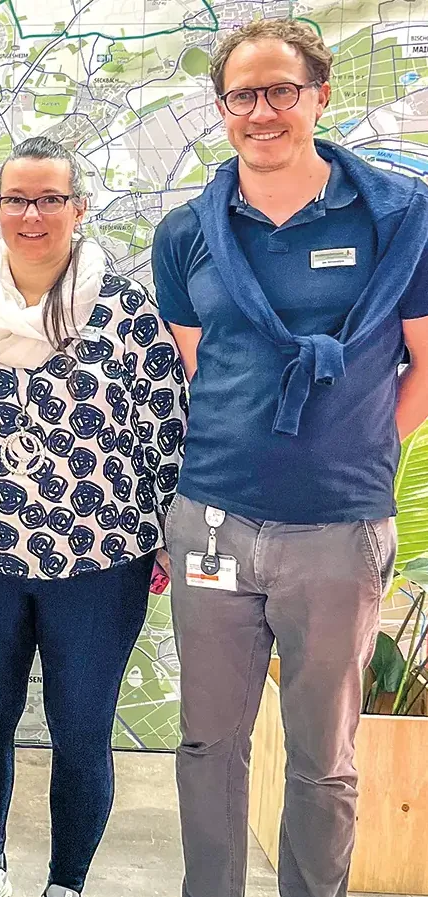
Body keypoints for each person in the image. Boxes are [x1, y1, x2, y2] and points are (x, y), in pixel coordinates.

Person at [151, 19, 428, 897]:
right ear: (223, 106)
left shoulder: (397, 220)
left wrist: (350, 450)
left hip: (337, 530)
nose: (261, 111)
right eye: (242, 94)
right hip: (213, 520)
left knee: (323, 755)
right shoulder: (187, 231)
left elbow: (423, 363)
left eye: (281, 90)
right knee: (208, 746)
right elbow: (203, 363)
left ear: (320, 93)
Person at [0, 136, 186, 897]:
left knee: (80, 734)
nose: (31, 215)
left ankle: (66, 880)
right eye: (15, 199)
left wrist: (166, 531)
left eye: (48, 199)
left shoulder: (127, 312)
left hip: (101, 561)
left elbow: (166, 426)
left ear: (78, 208)